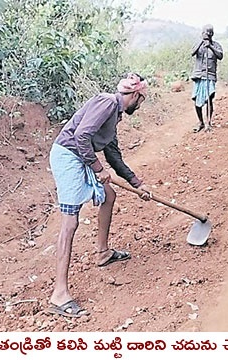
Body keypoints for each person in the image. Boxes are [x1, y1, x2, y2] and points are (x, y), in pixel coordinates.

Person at [47, 72, 152, 318]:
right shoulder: (106, 102)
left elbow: (113, 155)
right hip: (68, 156)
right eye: (142, 100)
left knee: (109, 195)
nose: (140, 104)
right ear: (136, 95)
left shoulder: (114, 114)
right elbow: (81, 136)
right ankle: (59, 294)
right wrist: (97, 168)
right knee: (70, 222)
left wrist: (137, 184)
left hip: (81, 157)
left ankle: (103, 253)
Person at [190, 24, 223, 133]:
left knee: (209, 98)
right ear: (202, 33)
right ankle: (200, 122)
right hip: (199, 75)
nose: (207, 34)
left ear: (212, 34)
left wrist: (210, 46)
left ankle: (208, 122)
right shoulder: (198, 44)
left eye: (209, 32)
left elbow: (220, 56)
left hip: (210, 76)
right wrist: (202, 42)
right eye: (205, 32)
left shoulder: (216, 45)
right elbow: (192, 53)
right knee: (196, 100)